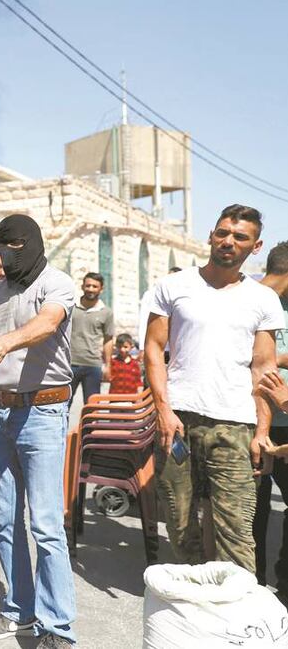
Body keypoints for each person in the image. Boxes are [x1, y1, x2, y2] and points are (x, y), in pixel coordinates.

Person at [145, 204, 281, 575]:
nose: (228, 241)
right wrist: (163, 410)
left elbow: (264, 368)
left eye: (240, 237)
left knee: (236, 530)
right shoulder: (173, 286)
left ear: (255, 246)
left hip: (234, 426)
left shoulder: (263, 299)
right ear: (211, 235)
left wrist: (262, 432)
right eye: (223, 233)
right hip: (179, 422)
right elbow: (154, 349)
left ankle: (237, 619)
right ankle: (196, 603)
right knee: (180, 524)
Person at [0, 214, 78, 647]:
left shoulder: (56, 283)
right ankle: (19, 611)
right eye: (1, 245)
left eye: (15, 244)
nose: (7, 252)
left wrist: (6, 342)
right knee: (3, 518)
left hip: (43, 412)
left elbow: (47, 323)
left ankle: (58, 627)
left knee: (46, 523)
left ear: (32, 243)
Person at [253, 241, 288, 602]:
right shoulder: (245, 297)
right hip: (251, 422)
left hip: (285, 419)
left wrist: (274, 358)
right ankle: (253, 588)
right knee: (253, 511)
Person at [70, 272, 114, 405]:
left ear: (101, 289)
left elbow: (108, 340)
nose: (90, 289)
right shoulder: (70, 307)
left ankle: (90, 427)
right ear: (82, 286)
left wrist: (108, 365)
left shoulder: (106, 312)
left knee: (92, 407)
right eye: (88, 285)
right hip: (68, 364)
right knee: (62, 406)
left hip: (93, 365)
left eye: (95, 286)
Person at [138, 266, 182, 359]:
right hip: (157, 347)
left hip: (177, 350)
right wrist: (142, 347)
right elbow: (144, 320)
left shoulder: (183, 296)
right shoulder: (152, 294)